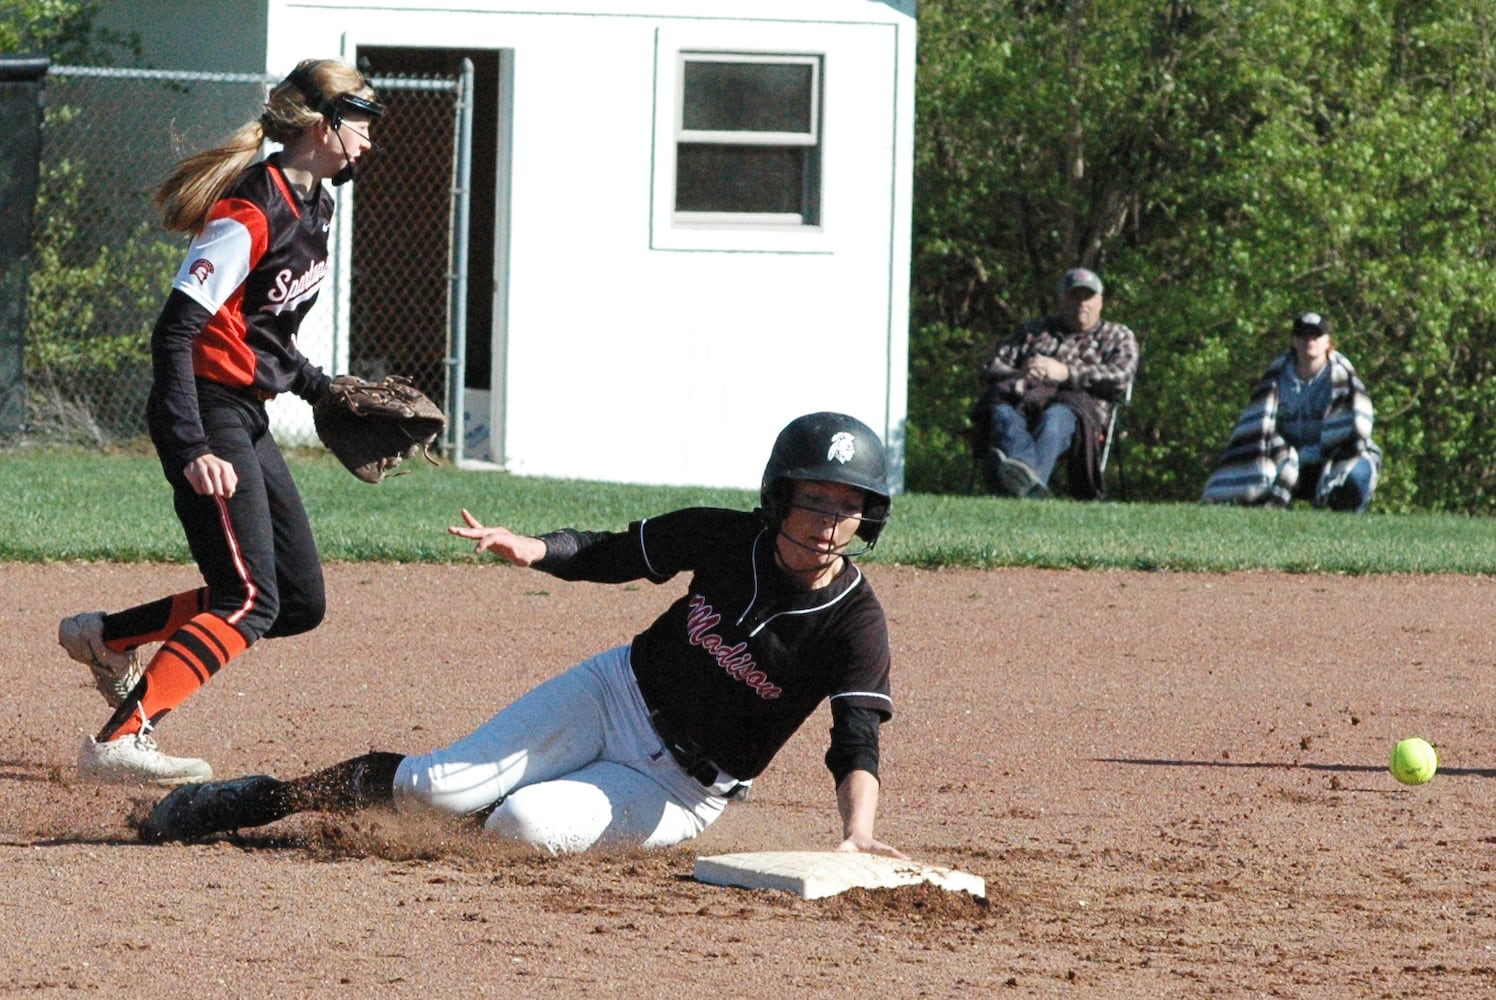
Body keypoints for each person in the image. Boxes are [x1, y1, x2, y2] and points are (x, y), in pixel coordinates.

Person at [136, 412, 908, 859]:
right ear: (779, 500)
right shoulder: (722, 536)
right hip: (615, 694)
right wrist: (536, 548)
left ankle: (440, 823)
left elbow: (856, 738)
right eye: (813, 501)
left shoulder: (854, 622)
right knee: (438, 787)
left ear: (866, 519)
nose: (828, 523)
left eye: (847, 507)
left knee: (519, 825)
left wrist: (858, 834)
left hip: (678, 788)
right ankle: (271, 798)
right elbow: (615, 552)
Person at [57, 59, 385, 784]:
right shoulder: (251, 209)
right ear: (324, 124)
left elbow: (262, 331)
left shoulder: (318, 205)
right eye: (361, 121)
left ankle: (108, 639)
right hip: (204, 412)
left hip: (244, 411)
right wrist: (193, 445)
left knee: (295, 600)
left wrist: (320, 390)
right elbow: (175, 332)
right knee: (250, 599)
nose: (367, 139)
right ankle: (121, 740)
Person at [971, 267, 1139, 499]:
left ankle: (1015, 483)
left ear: (1100, 301)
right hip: (1023, 402)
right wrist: (1024, 371)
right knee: (1001, 413)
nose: (1082, 303)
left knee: (1055, 420)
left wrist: (1067, 373)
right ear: (1060, 299)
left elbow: (1121, 376)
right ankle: (1028, 485)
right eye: (1074, 296)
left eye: (1087, 296)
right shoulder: (1033, 331)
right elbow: (991, 366)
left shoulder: (1117, 335)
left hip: (1078, 411)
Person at [1203, 311, 1381, 512]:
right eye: (1303, 335)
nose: (1309, 340)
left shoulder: (1344, 379)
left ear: (1327, 341)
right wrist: (1290, 455)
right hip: (1285, 456)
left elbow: (1355, 432)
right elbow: (1260, 429)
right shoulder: (1276, 377)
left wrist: (1313, 454)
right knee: (1257, 473)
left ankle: (1348, 526)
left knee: (1355, 475)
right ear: (1294, 340)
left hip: (1333, 454)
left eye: (1316, 335)